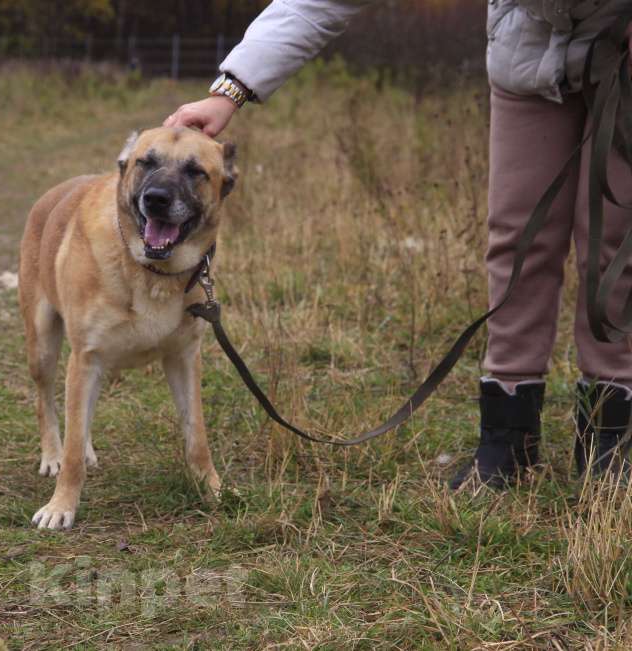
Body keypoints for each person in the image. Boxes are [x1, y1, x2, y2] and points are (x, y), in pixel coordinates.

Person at [164, 0, 632, 488]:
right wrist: (230, 90)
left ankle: (612, 435)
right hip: (529, 49)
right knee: (518, 239)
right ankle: (507, 438)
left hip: (621, 44)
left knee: (616, 241)